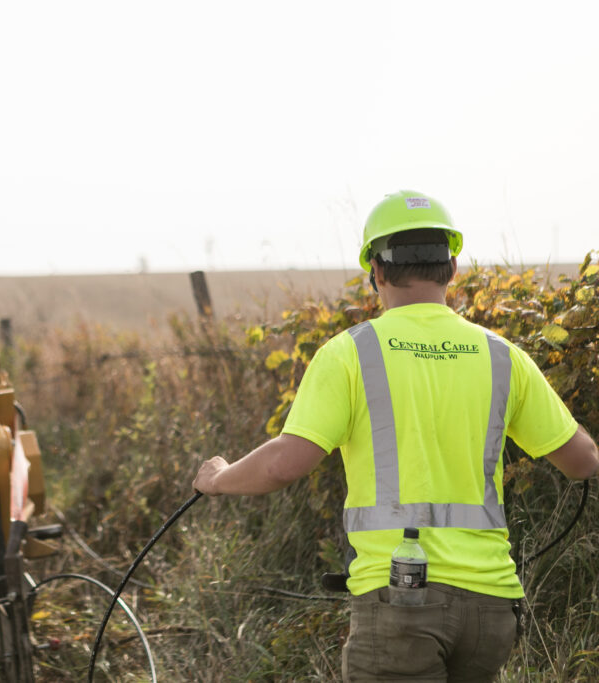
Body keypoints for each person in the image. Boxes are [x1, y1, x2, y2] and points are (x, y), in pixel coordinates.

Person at [192, 190, 598, 682]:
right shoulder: (502, 356)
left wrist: (218, 478)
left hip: (400, 605)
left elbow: (283, 465)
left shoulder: (349, 354)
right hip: (491, 609)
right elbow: (582, 461)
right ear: (452, 267)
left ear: (377, 273)